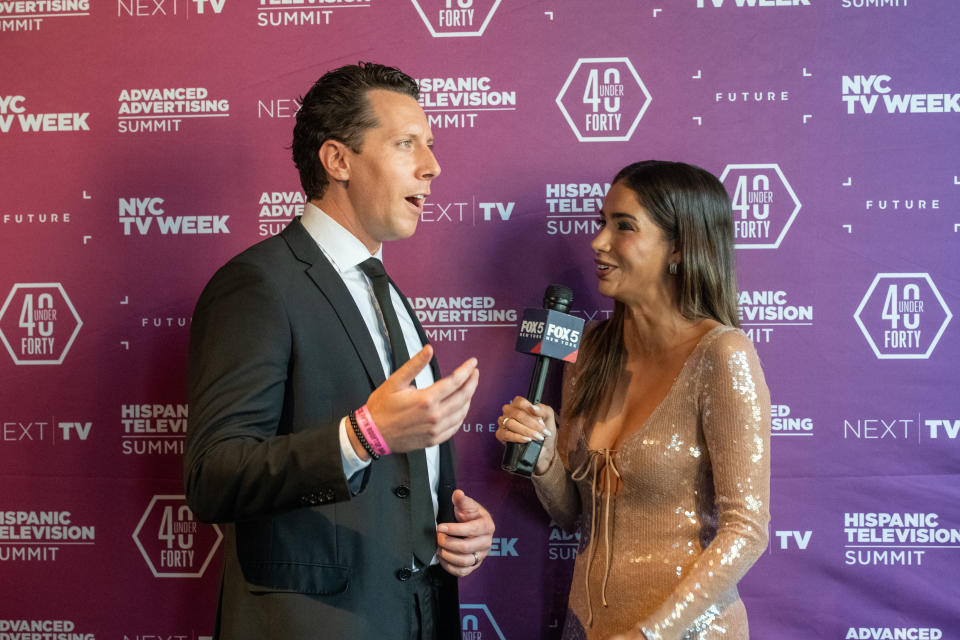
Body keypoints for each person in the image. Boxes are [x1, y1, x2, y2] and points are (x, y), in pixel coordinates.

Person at [184, 62, 494, 640]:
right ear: (338, 160)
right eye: (406, 144)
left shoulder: (389, 294)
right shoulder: (257, 285)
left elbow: (401, 480)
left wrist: (451, 528)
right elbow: (213, 477)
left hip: (420, 615)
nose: (432, 166)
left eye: (429, 145)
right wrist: (363, 436)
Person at [496, 160, 770, 640]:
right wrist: (543, 461)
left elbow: (746, 530)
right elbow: (573, 514)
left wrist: (651, 634)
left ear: (679, 248)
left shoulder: (722, 354)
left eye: (623, 226)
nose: (598, 242)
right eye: (601, 222)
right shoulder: (590, 350)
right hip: (583, 627)